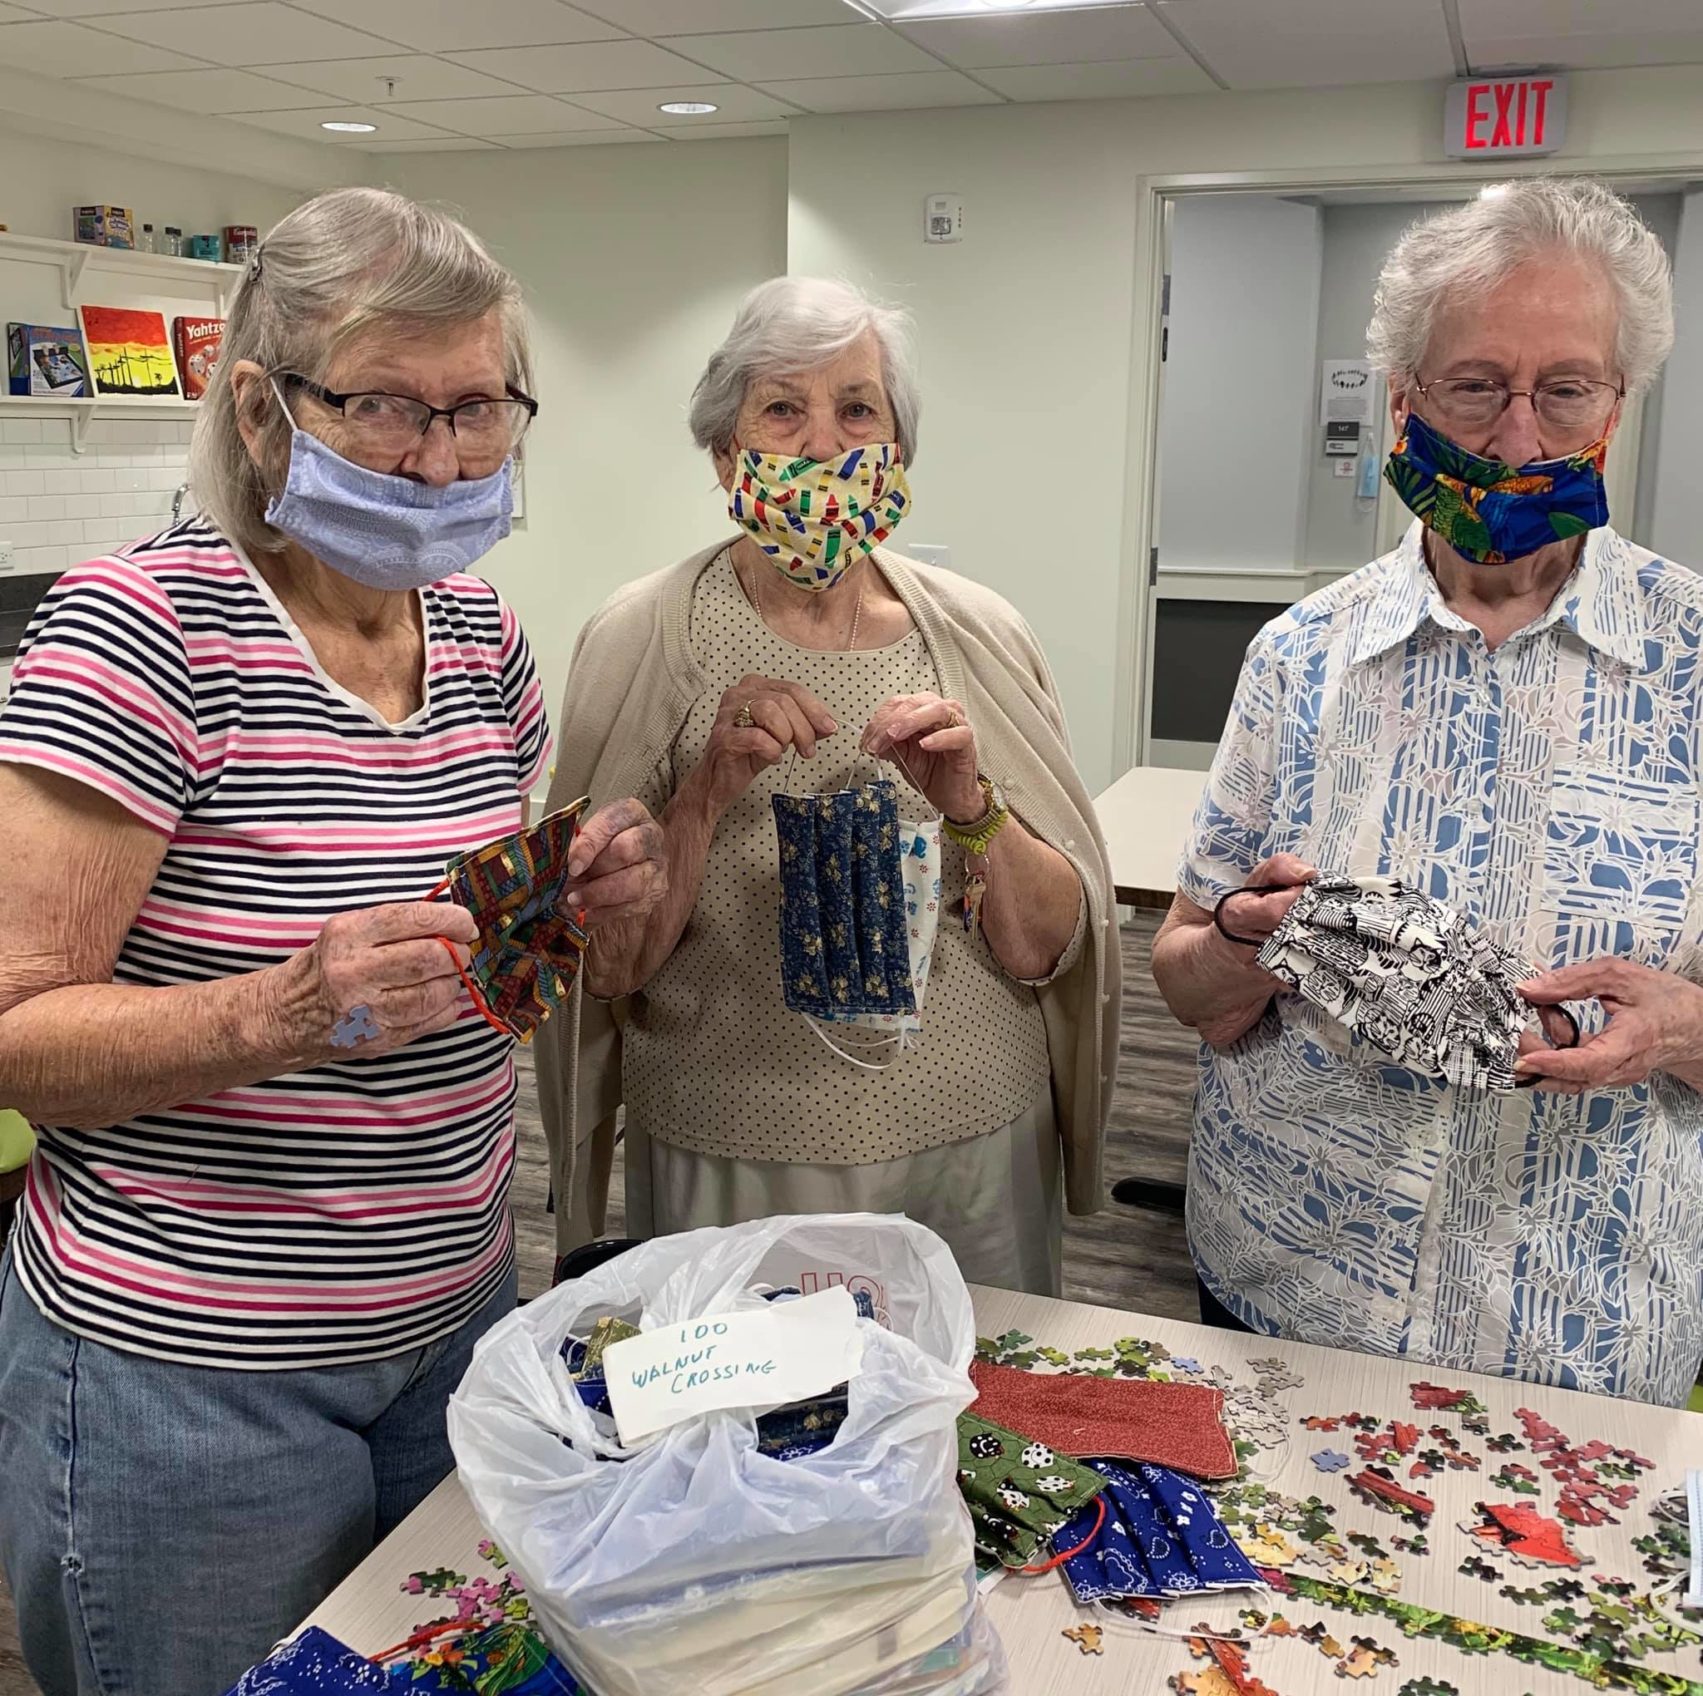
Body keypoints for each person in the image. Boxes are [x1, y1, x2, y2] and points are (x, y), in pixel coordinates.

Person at [0, 188, 666, 1694]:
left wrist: (573, 902)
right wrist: (277, 1013)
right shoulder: (139, 628)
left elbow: (476, 980)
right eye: (382, 407)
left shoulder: (479, 636)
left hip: (452, 1321)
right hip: (197, 1381)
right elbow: (17, 1031)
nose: (440, 460)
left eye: (478, 409)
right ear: (259, 409)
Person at [1152, 176, 1703, 1407]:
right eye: (1473, 386)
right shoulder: (1299, 655)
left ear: (1618, 404)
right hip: (1285, 1291)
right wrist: (1248, 941)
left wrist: (1676, 1030)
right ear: (1402, 401)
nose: (1516, 437)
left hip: (1587, 1324)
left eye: (1563, 388)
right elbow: (1188, 974)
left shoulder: (1693, 661)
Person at [535, 277, 1118, 1293]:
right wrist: (703, 793)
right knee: (748, 1434)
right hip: (732, 1143)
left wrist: (972, 810)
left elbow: (1049, 945)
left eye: (855, 408)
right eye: (779, 408)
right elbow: (601, 964)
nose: (818, 445)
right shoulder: (642, 639)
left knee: (971, 1421)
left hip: (970, 1141)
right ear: (724, 452)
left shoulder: (980, 636)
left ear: (897, 451)